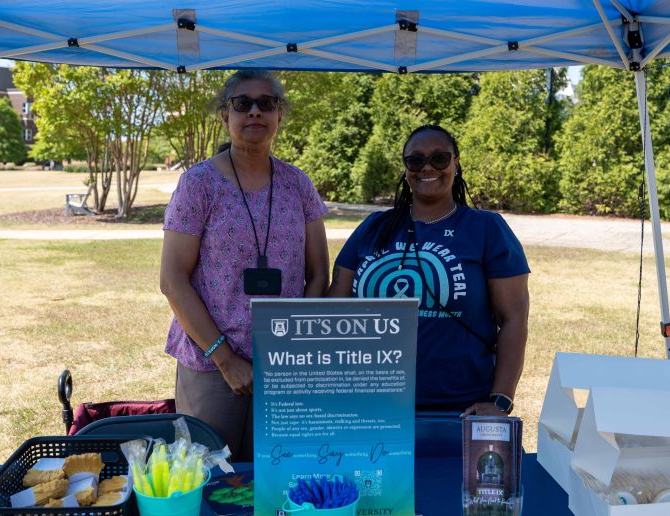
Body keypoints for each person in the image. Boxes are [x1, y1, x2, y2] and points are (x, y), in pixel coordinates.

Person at [160, 69, 329, 460]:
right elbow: (172, 280)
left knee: (274, 478)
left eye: (266, 103)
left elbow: (319, 273)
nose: (255, 112)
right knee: (207, 477)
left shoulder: (297, 184)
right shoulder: (198, 184)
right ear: (225, 115)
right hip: (211, 365)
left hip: (282, 365)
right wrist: (226, 359)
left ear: (279, 115)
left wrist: (296, 344)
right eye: (243, 103)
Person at [328, 124, 529, 417]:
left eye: (439, 158)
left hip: (459, 408)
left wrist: (500, 399)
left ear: (456, 164)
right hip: (371, 404)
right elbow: (333, 309)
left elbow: (514, 318)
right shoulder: (373, 227)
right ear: (406, 168)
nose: (427, 168)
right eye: (416, 160)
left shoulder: (486, 228)